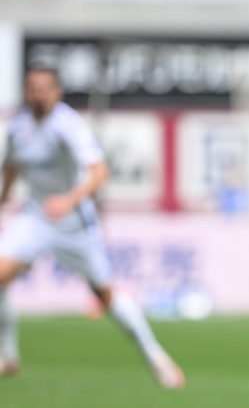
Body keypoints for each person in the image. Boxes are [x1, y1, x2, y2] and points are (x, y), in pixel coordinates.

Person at [0, 67, 185, 389]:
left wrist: (68, 200)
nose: (38, 94)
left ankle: (155, 355)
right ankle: (8, 355)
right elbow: (14, 166)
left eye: (44, 88)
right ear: (26, 92)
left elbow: (99, 172)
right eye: (33, 88)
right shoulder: (18, 127)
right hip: (35, 216)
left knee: (105, 294)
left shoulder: (67, 124)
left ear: (57, 92)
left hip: (73, 222)